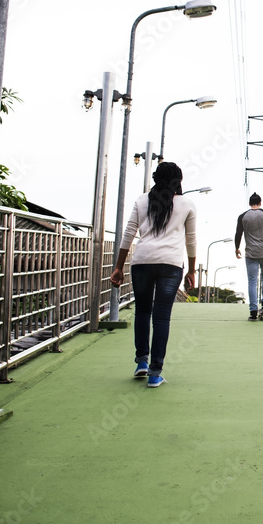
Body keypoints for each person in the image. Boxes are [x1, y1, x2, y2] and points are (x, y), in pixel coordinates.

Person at [110, 161, 196, 388]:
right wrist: (192, 269)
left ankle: (142, 362)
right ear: (179, 181)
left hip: (142, 262)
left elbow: (128, 233)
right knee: (161, 317)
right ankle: (155, 373)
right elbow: (191, 240)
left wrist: (118, 267)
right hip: (170, 265)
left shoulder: (141, 200)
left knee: (143, 311)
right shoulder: (187, 204)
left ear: (155, 179)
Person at [235, 192, 263, 320]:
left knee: (252, 281)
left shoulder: (243, 216)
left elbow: (238, 234)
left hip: (251, 253)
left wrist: (236, 248)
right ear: (260, 203)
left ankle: (253, 311)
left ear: (250, 203)